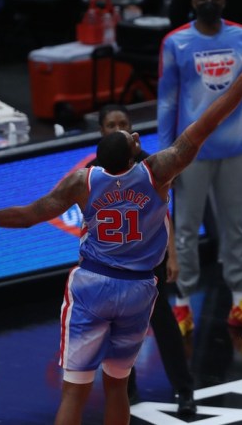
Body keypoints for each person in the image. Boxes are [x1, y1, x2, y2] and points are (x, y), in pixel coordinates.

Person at [0, 47, 242, 425]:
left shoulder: (83, 181)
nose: (132, 134)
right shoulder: (156, 172)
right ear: (132, 155)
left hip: (93, 285)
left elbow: (31, 215)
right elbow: (205, 125)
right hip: (138, 290)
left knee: (75, 391)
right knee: (117, 386)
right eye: (130, 136)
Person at [158, 0, 242, 335]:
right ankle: (182, 302)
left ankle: (241, 299)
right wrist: (167, 156)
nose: (209, 3)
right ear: (193, 2)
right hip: (190, 153)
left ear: (224, 1)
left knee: (237, 226)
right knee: (185, 229)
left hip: (234, 150)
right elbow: (166, 102)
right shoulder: (175, 42)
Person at [87, 104, 196, 417]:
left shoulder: (152, 164)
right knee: (119, 329)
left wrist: (172, 254)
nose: (118, 128)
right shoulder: (95, 171)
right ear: (102, 131)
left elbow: (164, 213)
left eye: (123, 122)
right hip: (115, 265)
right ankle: (128, 391)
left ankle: (185, 390)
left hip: (150, 261)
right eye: (111, 124)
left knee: (163, 324)